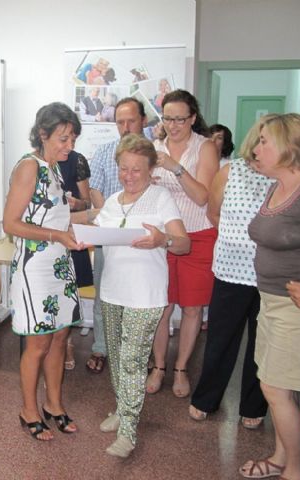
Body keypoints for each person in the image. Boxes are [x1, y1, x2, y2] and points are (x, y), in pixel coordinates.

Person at [86, 134, 189, 457]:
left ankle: (129, 432)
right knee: (117, 357)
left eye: (136, 170)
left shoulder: (160, 198)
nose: (129, 176)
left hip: (146, 294)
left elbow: (183, 243)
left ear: (151, 169)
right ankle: (122, 407)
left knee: (132, 361)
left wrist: (162, 240)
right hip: (113, 290)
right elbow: (95, 229)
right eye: (123, 169)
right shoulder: (114, 201)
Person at [240, 113, 300, 480]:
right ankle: (280, 456)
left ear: (289, 147)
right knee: (275, 387)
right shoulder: (278, 185)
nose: (256, 149)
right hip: (272, 304)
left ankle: (293, 471)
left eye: (264, 142)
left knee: (275, 388)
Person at [3, 102, 85, 441]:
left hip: (59, 264)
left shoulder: (53, 168)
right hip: (35, 268)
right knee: (37, 344)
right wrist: (56, 234)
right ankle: (29, 410)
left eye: (73, 139)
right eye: (63, 139)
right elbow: (11, 223)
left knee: (59, 337)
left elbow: (51, 214)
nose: (70, 147)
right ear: (43, 134)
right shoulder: (29, 167)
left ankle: (54, 404)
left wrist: (81, 226)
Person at [188, 118, 273, 428]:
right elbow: (213, 212)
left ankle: (253, 406)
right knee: (221, 340)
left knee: (261, 344)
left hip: (270, 276)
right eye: (261, 139)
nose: (263, 145)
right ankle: (206, 399)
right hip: (230, 271)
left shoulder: (287, 177)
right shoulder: (230, 171)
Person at [146, 89, 219, 398]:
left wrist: (175, 167)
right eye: (167, 118)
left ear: (192, 118)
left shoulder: (205, 148)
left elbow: (203, 196)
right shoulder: (153, 147)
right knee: (161, 305)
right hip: (162, 236)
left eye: (179, 119)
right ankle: (160, 365)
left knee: (191, 307)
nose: (173, 125)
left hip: (198, 234)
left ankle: (181, 368)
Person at [86, 97, 151, 375]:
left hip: (144, 239)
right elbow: (95, 191)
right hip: (110, 237)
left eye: (131, 121)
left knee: (139, 299)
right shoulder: (103, 152)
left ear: (143, 121)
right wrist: (109, 219)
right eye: (120, 122)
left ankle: (137, 353)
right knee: (104, 294)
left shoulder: (153, 153)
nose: (125, 127)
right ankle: (101, 346)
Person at [58, 150, 93, 370]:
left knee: (69, 292)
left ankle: (67, 342)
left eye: (71, 136)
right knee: (52, 292)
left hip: (71, 234)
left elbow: (87, 203)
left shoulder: (76, 160)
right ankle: (55, 343)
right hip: (45, 238)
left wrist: (75, 203)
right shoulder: (32, 163)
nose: (68, 143)